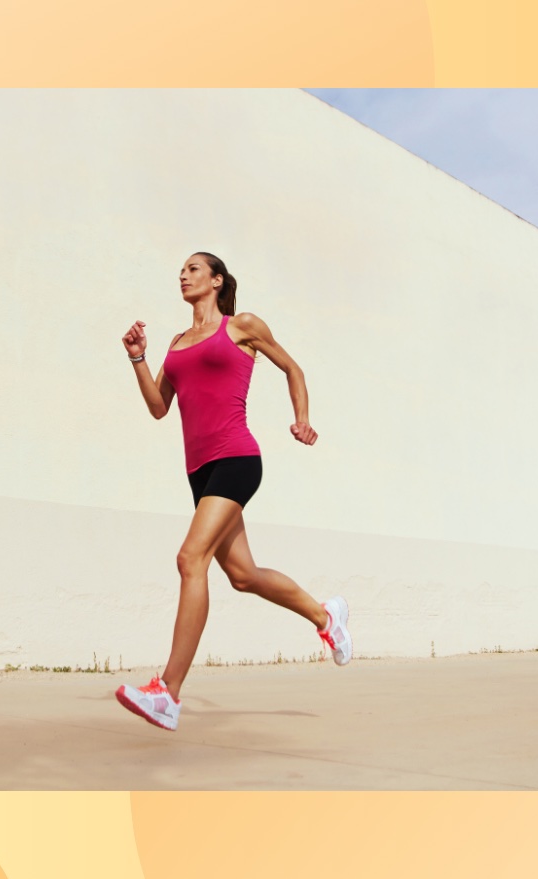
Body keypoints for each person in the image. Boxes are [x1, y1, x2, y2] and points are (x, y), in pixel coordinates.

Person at [115, 252, 352, 731]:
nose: (183, 275)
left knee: (190, 559)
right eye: (180, 271)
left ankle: (169, 693)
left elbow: (293, 369)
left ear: (216, 280)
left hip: (236, 458)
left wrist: (302, 419)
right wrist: (138, 358)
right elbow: (160, 407)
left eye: (193, 269)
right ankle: (325, 615)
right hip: (199, 471)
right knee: (242, 575)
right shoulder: (178, 343)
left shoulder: (241, 326)